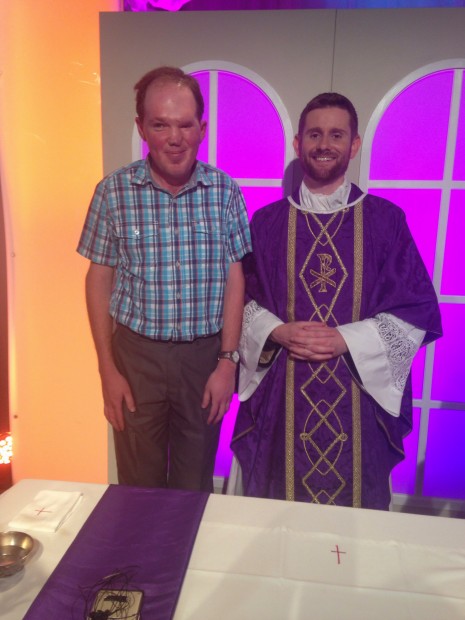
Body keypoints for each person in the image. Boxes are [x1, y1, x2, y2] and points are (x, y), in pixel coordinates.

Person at [230, 92, 442, 510]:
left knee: (353, 530)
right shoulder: (268, 223)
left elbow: (415, 310)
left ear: (354, 145)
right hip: (282, 394)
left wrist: (348, 339)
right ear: (297, 144)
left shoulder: (386, 220)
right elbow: (243, 303)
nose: (324, 144)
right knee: (276, 523)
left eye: (336, 134)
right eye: (314, 134)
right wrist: (277, 330)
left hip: (357, 393)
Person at [78, 66, 252, 492]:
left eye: (185, 124)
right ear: (142, 127)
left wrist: (227, 363)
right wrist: (107, 369)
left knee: (194, 485)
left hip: (203, 359)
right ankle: (140, 561)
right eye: (160, 125)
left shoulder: (224, 191)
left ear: (202, 128)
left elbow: (236, 279)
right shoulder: (112, 192)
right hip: (136, 359)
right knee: (138, 482)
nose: (175, 138)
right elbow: (98, 280)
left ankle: (183, 558)